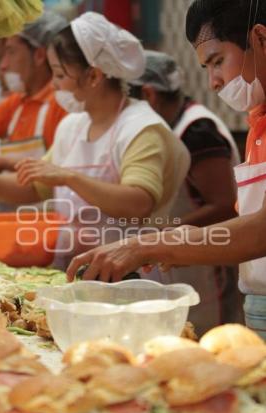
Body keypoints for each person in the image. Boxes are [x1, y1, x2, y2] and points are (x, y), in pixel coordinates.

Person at [66, 0, 266, 338]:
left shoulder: (190, 129)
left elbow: (260, 231)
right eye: (205, 68)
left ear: (260, 38)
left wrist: (150, 245)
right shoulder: (257, 124)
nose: (214, 82)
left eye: (217, 61)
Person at [0, 12, 190, 270]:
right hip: (72, 269)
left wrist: (68, 177)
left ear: (94, 77)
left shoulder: (140, 129)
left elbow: (138, 202)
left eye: (60, 75)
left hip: (131, 277)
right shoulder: (72, 126)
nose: (55, 85)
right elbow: (33, 187)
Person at [130, 50, 242, 332]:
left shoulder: (197, 131)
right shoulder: (168, 128)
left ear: (148, 95)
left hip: (206, 271)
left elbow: (225, 205)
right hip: (179, 261)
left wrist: (162, 236)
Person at [0, 10, 67, 173]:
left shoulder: (63, 103)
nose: (3, 65)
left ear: (40, 55)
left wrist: (3, 164)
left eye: (11, 52)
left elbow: (61, 171)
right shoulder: (19, 101)